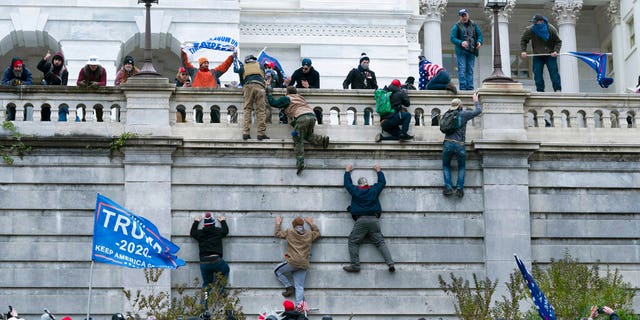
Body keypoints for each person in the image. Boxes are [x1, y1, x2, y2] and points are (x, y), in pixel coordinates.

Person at [343, 164, 394, 273]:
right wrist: (378, 170)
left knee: (353, 241)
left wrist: (347, 171)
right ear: (367, 184)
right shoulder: (373, 190)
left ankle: (355, 266)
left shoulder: (356, 190)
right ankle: (390, 263)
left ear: (359, 185)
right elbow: (382, 183)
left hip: (361, 220)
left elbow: (347, 184)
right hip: (374, 220)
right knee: (380, 243)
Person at [267, 86, 330, 174]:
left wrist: (269, 94)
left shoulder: (287, 98)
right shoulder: (300, 98)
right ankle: (322, 140)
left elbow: (274, 103)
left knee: (297, 139)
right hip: (312, 116)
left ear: (287, 92)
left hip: (301, 118)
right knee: (307, 135)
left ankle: (300, 163)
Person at [274, 216, 320, 310]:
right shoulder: (309, 234)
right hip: (304, 264)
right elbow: (318, 233)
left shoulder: (290, 231)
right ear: (302, 225)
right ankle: (300, 307)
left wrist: (278, 223)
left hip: (293, 262)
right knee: (299, 286)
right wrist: (311, 223)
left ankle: (289, 286)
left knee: (277, 271)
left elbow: (277, 233)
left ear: (293, 225)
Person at [442, 92, 482, 198]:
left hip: (447, 143)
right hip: (459, 144)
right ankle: (459, 189)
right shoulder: (464, 114)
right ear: (460, 106)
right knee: (461, 166)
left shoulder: (447, 114)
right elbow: (478, 111)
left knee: (446, 165)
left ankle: (448, 187)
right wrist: (475, 100)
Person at [190, 212, 230, 306]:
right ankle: (220, 289)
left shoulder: (200, 233)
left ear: (204, 225)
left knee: (207, 285)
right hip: (216, 260)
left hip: (204, 262)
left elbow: (192, 233)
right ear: (213, 224)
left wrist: (196, 222)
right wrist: (223, 221)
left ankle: (203, 307)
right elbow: (225, 231)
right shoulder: (217, 231)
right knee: (226, 270)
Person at [520, 14, 562, 92]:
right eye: (533, 22)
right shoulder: (530, 29)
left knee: (554, 73)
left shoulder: (551, 29)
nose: (534, 24)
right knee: (537, 73)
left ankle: (557, 89)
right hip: (537, 55)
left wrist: (556, 51)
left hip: (550, 55)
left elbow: (558, 41)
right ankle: (540, 90)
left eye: (536, 22)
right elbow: (523, 40)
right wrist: (523, 51)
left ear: (542, 21)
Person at [450, 8, 482, 91]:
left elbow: (479, 35)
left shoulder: (474, 25)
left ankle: (470, 88)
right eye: (462, 16)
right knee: (462, 69)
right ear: (460, 17)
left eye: (465, 15)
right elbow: (452, 38)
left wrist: (479, 42)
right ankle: (463, 88)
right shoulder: (456, 26)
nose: (464, 17)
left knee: (470, 70)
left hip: (471, 51)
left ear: (468, 15)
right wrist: (461, 43)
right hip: (461, 52)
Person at [238, 54, 269, 140]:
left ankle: (246, 133)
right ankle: (261, 133)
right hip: (260, 87)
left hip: (248, 86)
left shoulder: (242, 67)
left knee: (247, 109)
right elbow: (263, 77)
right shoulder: (260, 65)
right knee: (261, 111)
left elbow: (242, 81)